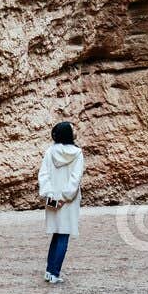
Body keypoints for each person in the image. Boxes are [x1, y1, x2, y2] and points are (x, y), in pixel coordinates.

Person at [38, 121, 85, 282]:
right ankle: (54, 273)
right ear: (68, 133)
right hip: (69, 201)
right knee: (63, 235)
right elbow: (75, 178)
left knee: (56, 234)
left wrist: (51, 197)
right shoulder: (77, 153)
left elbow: (43, 176)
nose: (75, 131)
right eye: (73, 129)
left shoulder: (49, 151)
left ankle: (49, 271)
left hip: (52, 199)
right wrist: (65, 198)